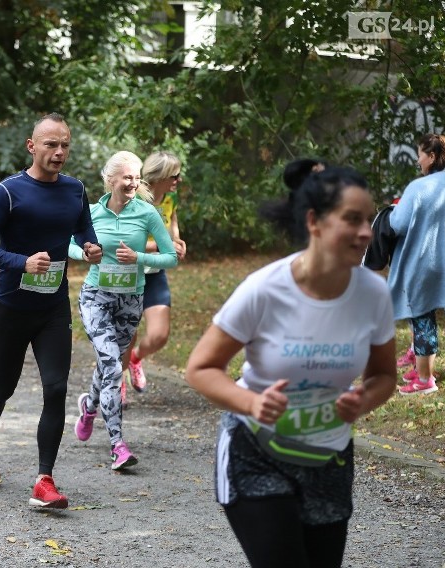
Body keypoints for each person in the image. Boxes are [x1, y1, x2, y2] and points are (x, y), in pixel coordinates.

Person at [184, 165, 396, 568]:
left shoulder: (374, 294)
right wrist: (251, 403)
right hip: (255, 452)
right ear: (314, 221)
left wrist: (362, 400)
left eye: (368, 219)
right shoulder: (265, 288)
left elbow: (385, 375)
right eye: (353, 219)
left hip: (328, 458)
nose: (367, 231)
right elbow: (200, 368)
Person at [0, 112, 102, 509]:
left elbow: (84, 233)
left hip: (53, 308)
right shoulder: (8, 192)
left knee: (57, 388)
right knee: (4, 386)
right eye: (51, 144)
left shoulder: (75, 190)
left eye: (65, 145)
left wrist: (92, 249)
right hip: (12, 306)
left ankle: (44, 480)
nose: (59, 152)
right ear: (32, 146)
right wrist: (20, 262)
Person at [70, 151, 177, 470]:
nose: (133, 183)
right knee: (113, 368)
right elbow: (66, 244)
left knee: (109, 364)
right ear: (110, 180)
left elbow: (171, 257)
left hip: (131, 300)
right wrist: (85, 255)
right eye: (127, 177)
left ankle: (89, 407)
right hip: (96, 298)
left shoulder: (148, 214)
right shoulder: (89, 213)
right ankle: (118, 446)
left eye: (136, 177)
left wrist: (139, 259)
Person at [388, 132, 445, 395]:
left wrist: (392, 211)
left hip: (422, 261)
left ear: (432, 156)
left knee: (421, 315)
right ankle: (424, 369)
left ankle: (425, 380)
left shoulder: (418, 187)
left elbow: (398, 223)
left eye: (420, 155)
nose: (417, 160)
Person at [122, 151, 186, 397]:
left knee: (159, 335)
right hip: (130, 273)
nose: (178, 180)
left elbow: (172, 222)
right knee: (128, 334)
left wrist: (177, 241)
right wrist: (159, 246)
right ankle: (119, 382)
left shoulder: (170, 198)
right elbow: (121, 241)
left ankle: (135, 359)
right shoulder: (134, 201)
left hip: (155, 273)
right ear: (160, 176)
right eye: (174, 175)